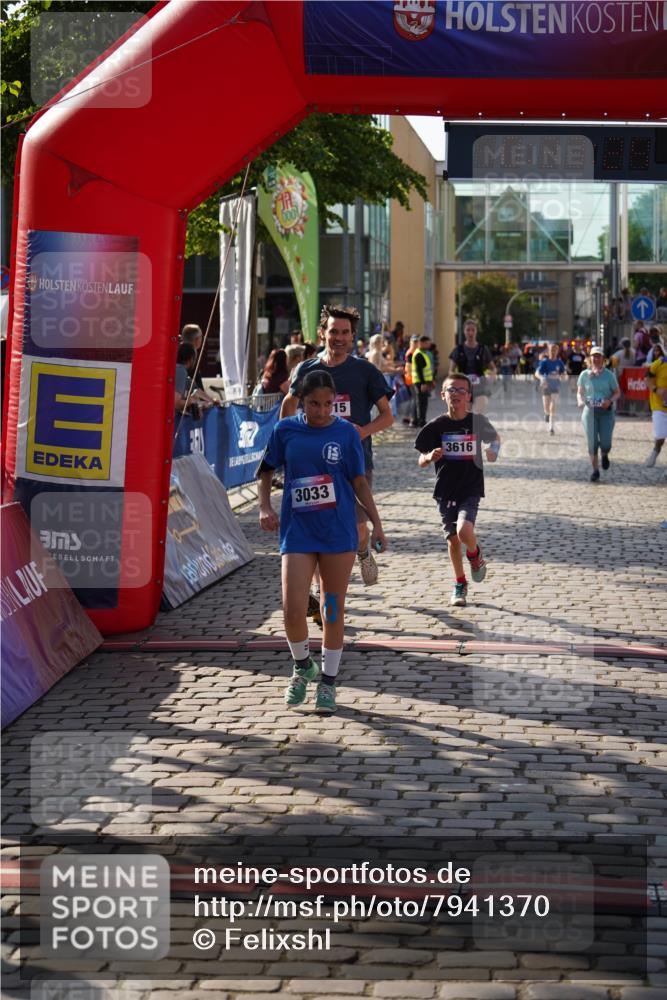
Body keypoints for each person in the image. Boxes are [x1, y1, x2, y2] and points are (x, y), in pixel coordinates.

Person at [257, 371, 387, 714]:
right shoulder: (286, 430)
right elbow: (266, 468)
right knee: (293, 608)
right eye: (314, 404)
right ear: (301, 400)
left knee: (331, 608)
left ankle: (328, 682)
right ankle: (302, 666)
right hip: (298, 530)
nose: (321, 410)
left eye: (328, 404)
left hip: (337, 531)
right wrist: (264, 505)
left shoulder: (345, 432)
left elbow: (359, 482)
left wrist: (376, 523)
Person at [281, 304, 393, 586]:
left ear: (352, 336)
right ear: (323, 333)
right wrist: (288, 440)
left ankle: (363, 551)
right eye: (334, 331)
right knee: (318, 529)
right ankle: (321, 593)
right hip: (313, 464)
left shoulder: (365, 371)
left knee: (357, 526)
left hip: (354, 461)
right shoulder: (306, 369)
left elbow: (387, 415)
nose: (339, 337)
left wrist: (362, 432)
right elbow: (288, 404)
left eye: (345, 332)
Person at [415, 374, 500, 608]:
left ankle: (474, 555)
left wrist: (494, 451)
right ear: (443, 395)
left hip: (470, 487)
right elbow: (420, 460)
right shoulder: (435, 427)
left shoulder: (478, 422)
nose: (456, 394)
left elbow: (496, 440)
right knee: (453, 541)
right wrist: (428, 457)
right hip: (445, 490)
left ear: (469, 397)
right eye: (451, 390)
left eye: (461, 391)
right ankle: (460, 583)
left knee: (464, 530)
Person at [576, 346, 621, 482]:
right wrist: (580, 401)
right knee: (592, 443)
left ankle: (605, 454)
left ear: (603, 359)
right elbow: (580, 391)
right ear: (590, 358)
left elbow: (617, 392)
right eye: (594, 356)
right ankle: (595, 470)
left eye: (599, 356)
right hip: (590, 412)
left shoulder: (609, 375)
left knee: (606, 443)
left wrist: (609, 401)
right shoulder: (584, 374)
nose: (596, 359)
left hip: (606, 413)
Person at [449, 319, 495, 414]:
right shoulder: (458, 350)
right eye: (468, 330)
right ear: (464, 332)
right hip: (463, 387)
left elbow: (493, 368)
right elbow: (450, 371)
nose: (470, 333)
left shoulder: (483, 349)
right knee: (466, 414)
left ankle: (477, 427)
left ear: (476, 331)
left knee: (478, 413)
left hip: (480, 386)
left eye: (473, 330)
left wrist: (491, 377)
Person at [535, 343, 567, 435]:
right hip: (546, 386)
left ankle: (551, 427)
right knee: (546, 407)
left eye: (555, 350)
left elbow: (564, 373)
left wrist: (563, 376)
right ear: (548, 351)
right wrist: (542, 378)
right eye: (551, 350)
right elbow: (537, 373)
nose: (553, 352)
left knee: (553, 405)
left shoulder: (559, 362)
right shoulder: (545, 362)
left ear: (557, 352)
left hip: (555, 386)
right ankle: (546, 414)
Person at [645, 347, 667, 469]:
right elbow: (646, 380)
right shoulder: (659, 363)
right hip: (659, 407)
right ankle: (655, 451)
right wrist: (656, 390)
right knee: (660, 436)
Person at [411, 333, 435, 427]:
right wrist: (423, 383)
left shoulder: (423, 353)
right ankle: (421, 421)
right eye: (427, 343)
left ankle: (420, 420)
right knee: (421, 402)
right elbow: (419, 370)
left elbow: (427, 369)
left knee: (423, 401)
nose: (428, 345)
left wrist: (431, 380)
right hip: (420, 382)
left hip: (424, 382)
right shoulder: (418, 354)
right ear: (421, 343)